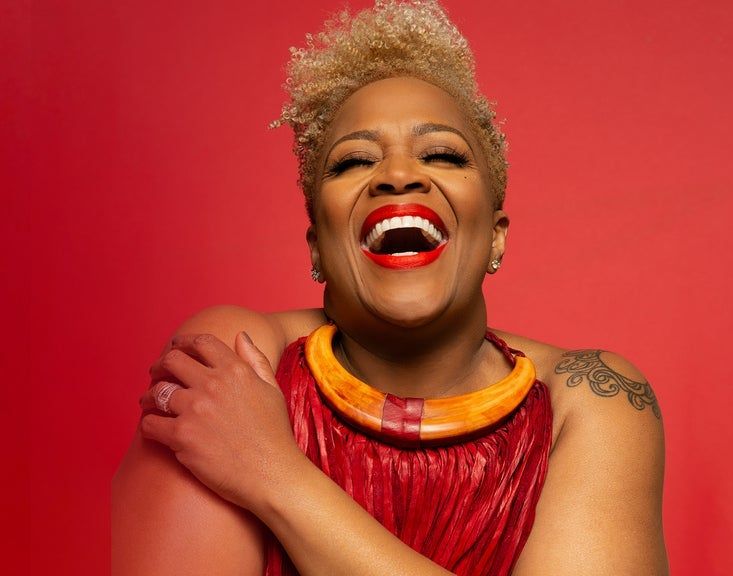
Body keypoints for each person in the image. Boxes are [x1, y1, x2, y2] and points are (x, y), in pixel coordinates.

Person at [111, 1, 668, 574]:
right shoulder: (238, 361)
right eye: (353, 162)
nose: (398, 176)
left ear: (495, 236)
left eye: (442, 154)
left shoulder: (593, 397)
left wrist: (274, 475)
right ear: (317, 247)